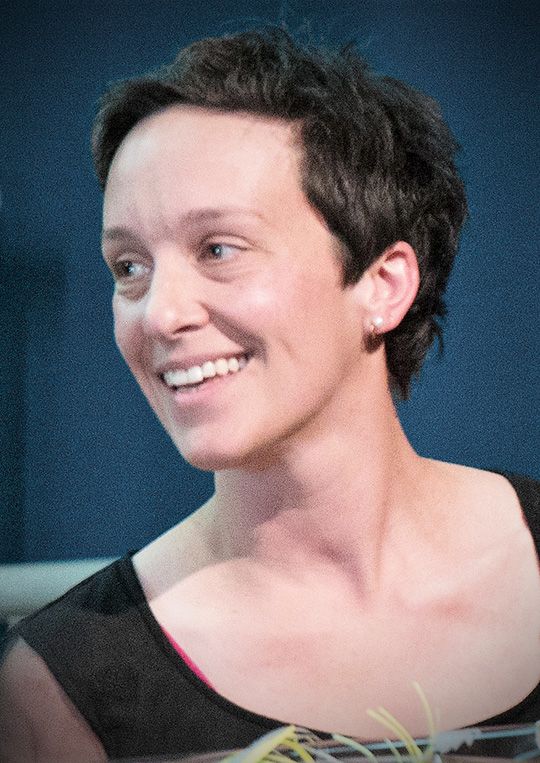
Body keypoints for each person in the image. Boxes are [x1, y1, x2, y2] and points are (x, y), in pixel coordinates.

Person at [1, 26, 538, 762]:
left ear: (383, 285)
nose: (159, 313)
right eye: (128, 266)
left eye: (218, 249)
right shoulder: (61, 686)